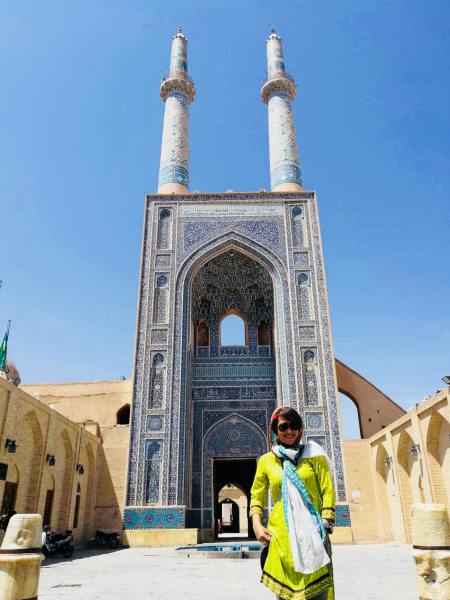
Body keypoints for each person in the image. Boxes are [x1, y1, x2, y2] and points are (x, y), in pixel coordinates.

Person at [250, 406, 335, 600]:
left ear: (301, 428)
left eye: (294, 425)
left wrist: (325, 524)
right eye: (283, 427)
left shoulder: (314, 455)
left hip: (314, 535)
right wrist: (257, 524)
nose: (289, 431)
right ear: (275, 430)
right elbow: (257, 495)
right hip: (281, 536)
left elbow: (327, 490)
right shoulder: (267, 461)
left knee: (318, 593)